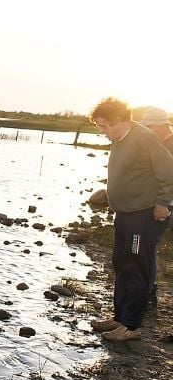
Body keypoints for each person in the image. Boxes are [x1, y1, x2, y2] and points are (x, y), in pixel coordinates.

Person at [88, 97, 173, 341]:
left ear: (118, 120)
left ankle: (131, 326)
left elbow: (168, 171)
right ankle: (119, 316)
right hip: (125, 214)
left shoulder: (144, 137)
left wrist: (161, 203)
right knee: (121, 263)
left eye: (104, 126)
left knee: (137, 267)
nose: (102, 132)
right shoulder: (119, 139)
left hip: (143, 215)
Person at [139, 106, 173, 301]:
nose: (148, 131)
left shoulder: (169, 145)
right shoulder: (161, 143)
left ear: (161, 125)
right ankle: (148, 287)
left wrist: (162, 204)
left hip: (166, 206)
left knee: (147, 246)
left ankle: (148, 290)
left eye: (150, 126)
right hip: (163, 204)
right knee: (148, 246)